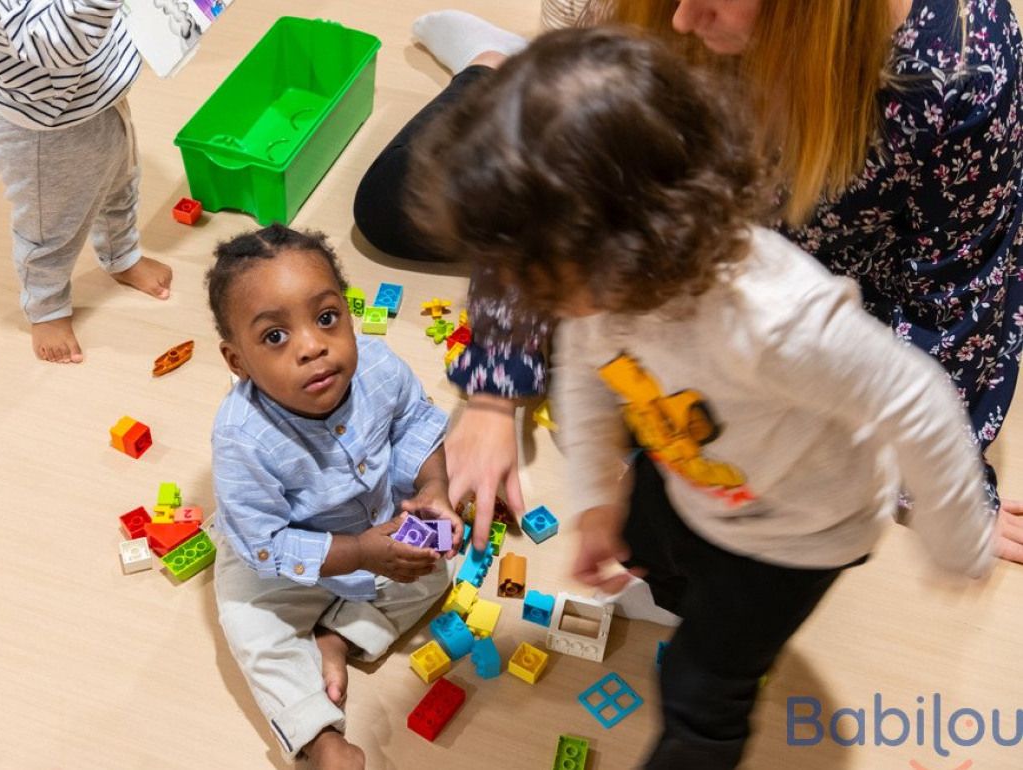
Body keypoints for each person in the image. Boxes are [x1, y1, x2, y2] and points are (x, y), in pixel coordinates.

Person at [407, 27, 997, 768]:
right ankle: (677, 578)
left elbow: (918, 399)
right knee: (656, 553)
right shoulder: (605, 290)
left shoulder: (778, 323)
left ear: (621, 243)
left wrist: (958, 535)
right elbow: (589, 378)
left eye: (535, 274)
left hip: (795, 534)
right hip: (686, 465)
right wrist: (595, 500)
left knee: (703, 685)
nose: (519, 296)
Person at [353, 1, 1023, 564]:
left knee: (777, 455)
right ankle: (497, 70)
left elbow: (953, 298)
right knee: (389, 208)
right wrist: (496, 392)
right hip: (666, 217)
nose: (680, 17)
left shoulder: (959, 67)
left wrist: (953, 497)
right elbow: (548, 198)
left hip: (812, 267)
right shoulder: (680, 25)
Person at [205, 224, 462, 770]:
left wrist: (434, 488)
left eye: (326, 318)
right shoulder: (241, 437)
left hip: (378, 527)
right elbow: (265, 543)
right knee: (250, 629)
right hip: (278, 560)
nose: (313, 346)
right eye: (275, 337)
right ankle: (321, 740)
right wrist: (362, 552)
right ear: (237, 362)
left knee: (436, 575)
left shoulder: (378, 365)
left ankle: (338, 637)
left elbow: (415, 424)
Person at [0, 0, 173, 364]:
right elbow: (48, 42)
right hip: (43, 122)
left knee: (120, 178)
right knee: (50, 224)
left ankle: (121, 255)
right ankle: (47, 307)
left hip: (94, 88)